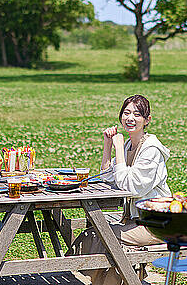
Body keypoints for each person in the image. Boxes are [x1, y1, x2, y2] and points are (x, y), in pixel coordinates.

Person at [68, 94, 171, 285]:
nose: (130, 118)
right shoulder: (128, 145)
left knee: (102, 235)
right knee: (93, 233)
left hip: (158, 224)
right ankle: (77, 277)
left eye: (137, 114)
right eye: (126, 113)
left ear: (147, 120)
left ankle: (79, 278)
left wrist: (117, 149)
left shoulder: (151, 150)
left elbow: (130, 187)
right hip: (134, 219)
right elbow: (108, 178)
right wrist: (108, 145)